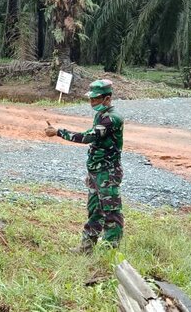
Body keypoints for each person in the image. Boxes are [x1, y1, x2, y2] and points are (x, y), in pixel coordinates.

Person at [45, 79, 125, 254]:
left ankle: (109, 253)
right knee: (95, 210)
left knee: (111, 212)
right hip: (96, 171)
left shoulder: (112, 118)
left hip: (108, 173)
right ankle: (86, 248)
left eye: (96, 99)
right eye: (91, 99)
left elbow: (88, 137)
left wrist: (59, 132)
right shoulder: (101, 115)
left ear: (107, 98)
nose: (92, 103)